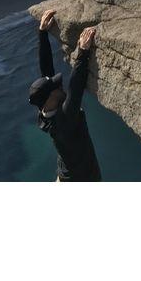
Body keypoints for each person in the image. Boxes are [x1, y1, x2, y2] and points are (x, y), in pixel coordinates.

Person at [28, 9, 102, 182]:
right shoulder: (65, 120)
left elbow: (46, 72)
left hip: (65, 175)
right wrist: (83, 52)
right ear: (50, 98)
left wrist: (42, 33)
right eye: (56, 87)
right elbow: (75, 88)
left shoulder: (45, 113)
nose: (60, 85)